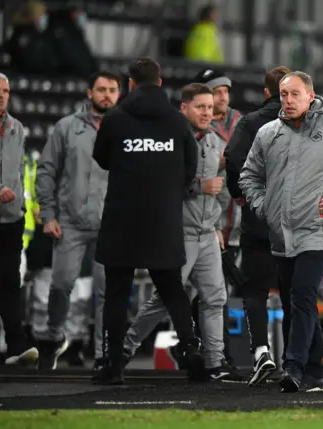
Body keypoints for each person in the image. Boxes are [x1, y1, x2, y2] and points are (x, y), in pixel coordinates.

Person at [239, 71, 323, 392]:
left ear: (310, 96)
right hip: (281, 234)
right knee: (295, 301)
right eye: (284, 94)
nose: (287, 100)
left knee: (301, 293)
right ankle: (317, 372)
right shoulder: (267, 133)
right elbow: (249, 177)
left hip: (319, 230)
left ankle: (294, 367)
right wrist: (264, 207)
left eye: (294, 94)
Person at [91, 57, 204, 385]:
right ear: (160, 80)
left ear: (130, 83)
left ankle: (113, 366)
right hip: (163, 217)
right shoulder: (177, 122)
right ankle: (191, 349)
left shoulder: (115, 119)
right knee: (172, 289)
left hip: (122, 216)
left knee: (116, 292)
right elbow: (190, 169)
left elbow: (101, 158)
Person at [122, 83, 241, 381]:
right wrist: (198, 187)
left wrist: (215, 226)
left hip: (205, 233)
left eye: (210, 107)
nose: (207, 112)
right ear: (183, 108)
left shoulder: (215, 142)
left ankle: (214, 364)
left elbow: (220, 192)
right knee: (165, 298)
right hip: (178, 233)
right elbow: (158, 183)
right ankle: (124, 348)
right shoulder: (169, 140)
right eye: (200, 107)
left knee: (215, 297)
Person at [34, 70, 119, 370]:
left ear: (119, 94)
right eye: (101, 89)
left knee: (107, 292)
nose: (106, 95)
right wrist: (48, 214)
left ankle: (103, 355)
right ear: (89, 93)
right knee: (61, 285)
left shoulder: (124, 129)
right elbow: (46, 172)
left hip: (109, 225)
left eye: (112, 90)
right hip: (69, 223)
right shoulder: (66, 128)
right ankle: (54, 337)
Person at [225, 65, 291, 386]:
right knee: (295, 291)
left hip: (259, 217)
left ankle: (261, 351)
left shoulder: (249, 123)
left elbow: (232, 157)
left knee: (255, 290)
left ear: (266, 92)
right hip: (295, 221)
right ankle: (295, 358)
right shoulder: (306, 122)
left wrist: (241, 194)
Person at [194, 68, 242, 367]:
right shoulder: (196, 127)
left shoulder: (241, 123)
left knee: (220, 293)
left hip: (235, 223)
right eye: (216, 91)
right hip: (207, 223)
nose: (223, 96)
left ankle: (206, 349)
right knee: (210, 292)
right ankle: (208, 351)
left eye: (226, 90)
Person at [0, 72, 39, 365]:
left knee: (10, 284)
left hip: (10, 220)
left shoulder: (17, 128)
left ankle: (16, 347)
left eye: (5, 91)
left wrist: (20, 207)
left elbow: (18, 173)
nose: (1, 95)